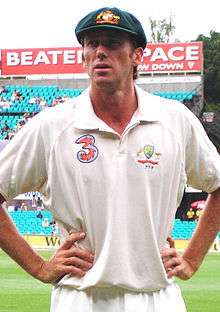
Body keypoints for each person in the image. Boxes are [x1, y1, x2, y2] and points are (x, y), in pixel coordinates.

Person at [0, 6, 219, 312]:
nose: (100, 51)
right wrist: (39, 267)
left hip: (157, 298)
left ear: (137, 56)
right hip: (80, 298)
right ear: (84, 55)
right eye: (92, 43)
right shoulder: (52, 126)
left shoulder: (175, 120)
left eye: (113, 43)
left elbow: (218, 184)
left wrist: (192, 259)